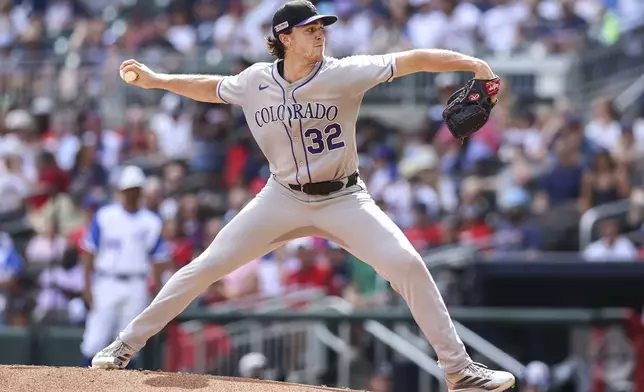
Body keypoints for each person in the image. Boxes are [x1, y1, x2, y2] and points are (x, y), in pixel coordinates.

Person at [93, 1, 515, 390]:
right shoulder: (255, 80)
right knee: (206, 266)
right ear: (284, 38)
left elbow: (414, 59)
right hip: (281, 197)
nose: (319, 34)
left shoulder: (344, 72)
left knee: (407, 263)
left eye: (321, 27)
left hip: (345, 197)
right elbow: (211, 86)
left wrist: (474, 63)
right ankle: (124, 345)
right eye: (308, 28)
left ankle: (458, 370)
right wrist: (157, 80)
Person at [81, 166, 169, 367]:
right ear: (121, 190)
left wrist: (154, 290)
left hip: (136, 283)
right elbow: (88, 252)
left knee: (128, 344)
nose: (132, 193)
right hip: (106, 282)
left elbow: (158, 259)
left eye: (136, 189)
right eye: (129, 189)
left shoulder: (151, 221)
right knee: (95, 338)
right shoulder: (105, 216)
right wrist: (86, 286)